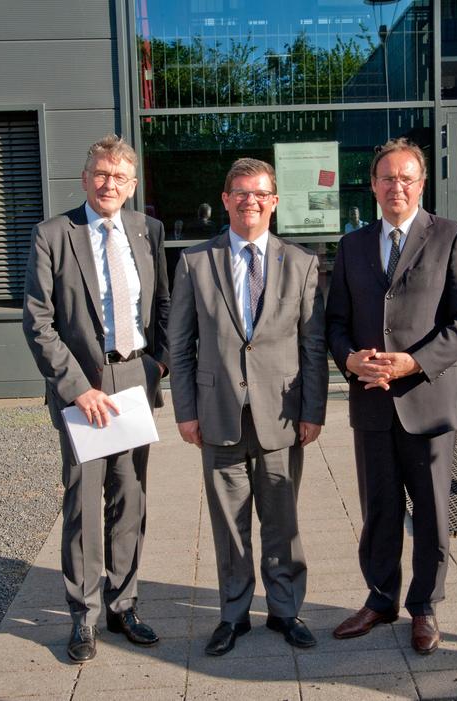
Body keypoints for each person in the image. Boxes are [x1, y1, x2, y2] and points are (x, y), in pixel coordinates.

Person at [326, 138, 457, 655]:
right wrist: (349, 359)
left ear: (421, 184)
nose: (397, 186)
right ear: (372, 185)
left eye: (406, 178)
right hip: (370, 403)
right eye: (387, 178)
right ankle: (379, 599)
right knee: (379, 509)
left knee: (433, 513)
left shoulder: (452, 236)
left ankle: (425, 607)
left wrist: (414, 361)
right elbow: (335, 322)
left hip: (428, 400)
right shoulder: (352, 245)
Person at [168, 158, 328, 656]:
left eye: (260, 193)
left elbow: (313, 345)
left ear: (274, 202)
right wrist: (185, 410)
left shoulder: (300, 263)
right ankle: (233, 615)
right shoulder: (196, 262)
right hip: (218, 415)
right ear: (225, 200)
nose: (250, 200)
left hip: (281, 416)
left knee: (282, 521)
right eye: (240, 192)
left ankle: (285, 611)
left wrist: (314, 411)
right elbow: (180, 345)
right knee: (229, 523)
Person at [22, 134, 170, 663]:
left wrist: (159, 364)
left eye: (120, 177)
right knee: (85, 504)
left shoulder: (146, 230)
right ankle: (82, 618)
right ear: (85, 178)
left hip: (135, 379)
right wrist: (76, 388)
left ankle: (123, 604)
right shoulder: (53, 234)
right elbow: (39, 323)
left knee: (130, 499)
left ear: (132, 186)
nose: (110, 184)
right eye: (101, 174)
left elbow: (165, 307)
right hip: (81, 388)